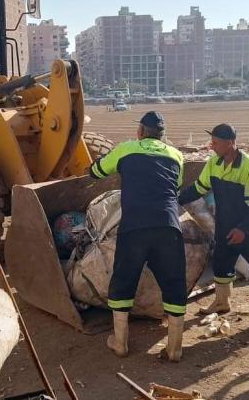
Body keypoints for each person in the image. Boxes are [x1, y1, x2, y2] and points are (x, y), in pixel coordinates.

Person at [89, 111, 186, 362]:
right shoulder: (176, 155)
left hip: (135, 227)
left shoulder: (127, 149)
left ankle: (120, 343)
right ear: (163, 135)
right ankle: (175, 348)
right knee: (174, 282)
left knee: (124, 280)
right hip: (168, 225)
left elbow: (97, 172)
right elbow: (174, 188)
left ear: (141, 131)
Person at [179, 124, 249, 336]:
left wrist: (243, 230)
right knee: (222, 265)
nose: (211, 146)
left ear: (230, 143)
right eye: (211, 141)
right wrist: (176, 200)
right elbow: (199, 187)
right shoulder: (214, 162)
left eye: (215, 143)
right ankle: (222, 303)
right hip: (225, 225)